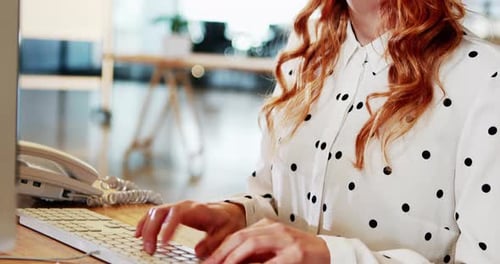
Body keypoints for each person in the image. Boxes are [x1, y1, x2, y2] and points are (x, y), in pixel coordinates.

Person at [135, 0, 500, 262]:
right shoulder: (304, 56)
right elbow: (279, 206)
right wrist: (234, 215)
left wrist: (332, 255)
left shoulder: (483, 78)